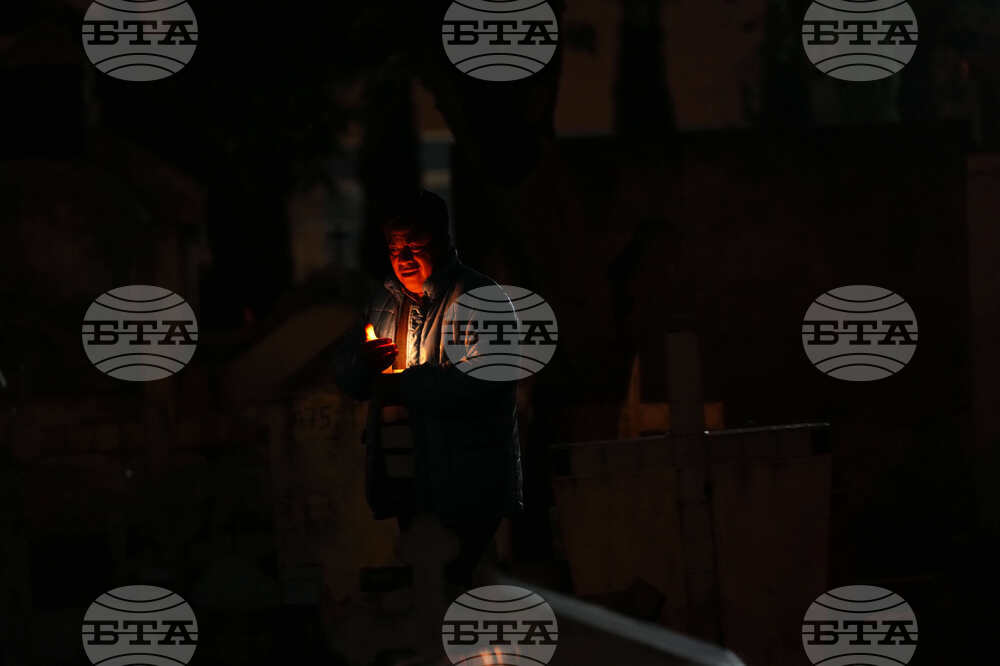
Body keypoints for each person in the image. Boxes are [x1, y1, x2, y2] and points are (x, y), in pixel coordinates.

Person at [332, 190, 523, 591]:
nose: (402, 258)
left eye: (414, 246)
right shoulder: (383, 302)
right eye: (394, 247)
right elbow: (348, 377)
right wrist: (363, 366)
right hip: (407, 481)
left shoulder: (481, 300)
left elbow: (491, 380)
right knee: (429, 587)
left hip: (468, 484)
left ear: (443, 240)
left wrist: (405, 384)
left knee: (457, 583)